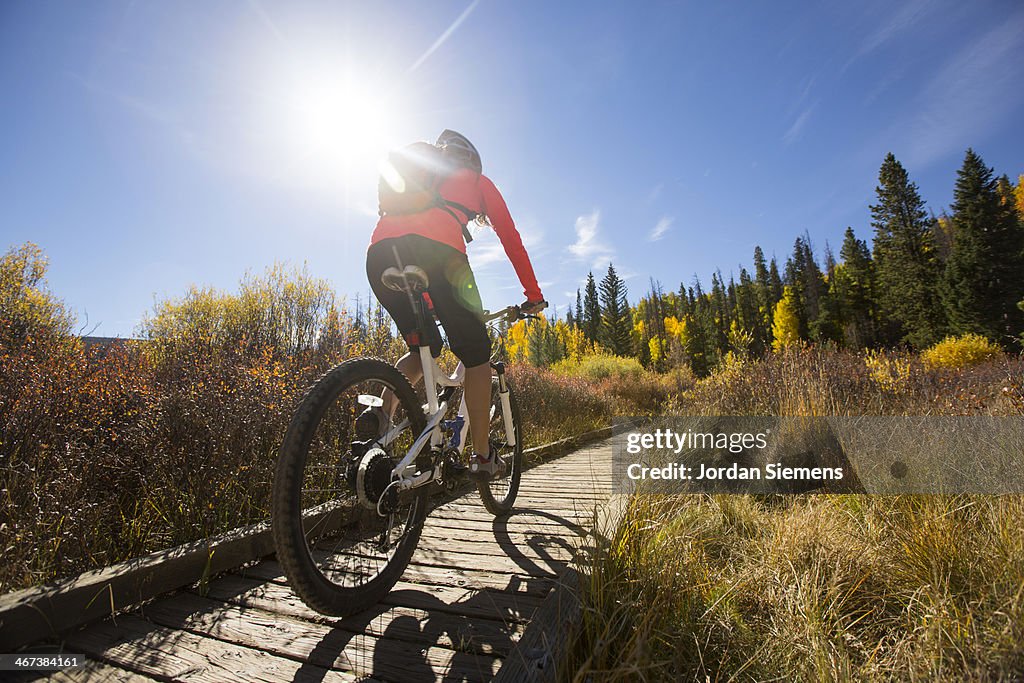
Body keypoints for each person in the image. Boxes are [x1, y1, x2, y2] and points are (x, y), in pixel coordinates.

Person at [364, 130, 546, 479]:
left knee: (423, 349)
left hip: (381, 253)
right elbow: (511, 238)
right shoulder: (477, 180)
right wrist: (533, 295)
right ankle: (482, 456)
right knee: (477, 357)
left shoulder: (420, 169)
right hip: (439, 255)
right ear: (471, 160)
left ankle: (381, 418)